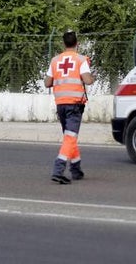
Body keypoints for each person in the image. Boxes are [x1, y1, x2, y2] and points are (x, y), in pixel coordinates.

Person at [44, 31, 94, 184]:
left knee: (69, 137)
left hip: (61, 105)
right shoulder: (81, 60)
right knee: (70, 137)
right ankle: (58, 170)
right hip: (74, 104)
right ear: (77, 43)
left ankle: (76, 170)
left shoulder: (55, 60)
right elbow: (87, 80)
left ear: (63, 43)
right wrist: (92, 77)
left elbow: (47, 83)